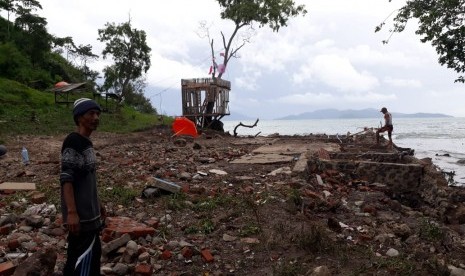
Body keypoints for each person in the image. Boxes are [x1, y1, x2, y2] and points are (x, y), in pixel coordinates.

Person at [60, 98, 106, 275]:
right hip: (81, 218)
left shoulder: (86, 143)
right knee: (81, 262)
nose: (96, 117)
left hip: (91, 216)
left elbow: (88, 180)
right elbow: (67, 178)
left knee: (92, 258)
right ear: (79, 118)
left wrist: (99, 204)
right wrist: (72, 212)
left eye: (98, 114)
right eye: (91, 113)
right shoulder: (73, 141)